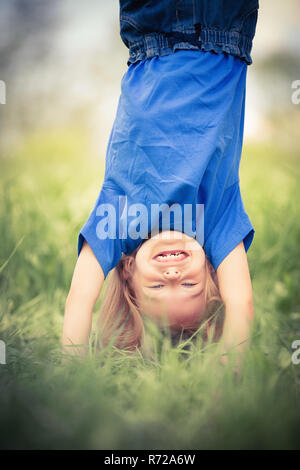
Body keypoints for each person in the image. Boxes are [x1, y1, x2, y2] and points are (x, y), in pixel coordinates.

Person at [62, 0, 259, 358]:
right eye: (189, 284)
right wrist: (228, 371)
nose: (173, 276)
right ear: (212, 277)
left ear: (127, 273)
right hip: (226, 23)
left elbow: (80, 298)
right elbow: (241, 304)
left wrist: (70, 367)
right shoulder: (218, 224)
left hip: (153, 25)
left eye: (157, 286)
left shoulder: (116, 224)